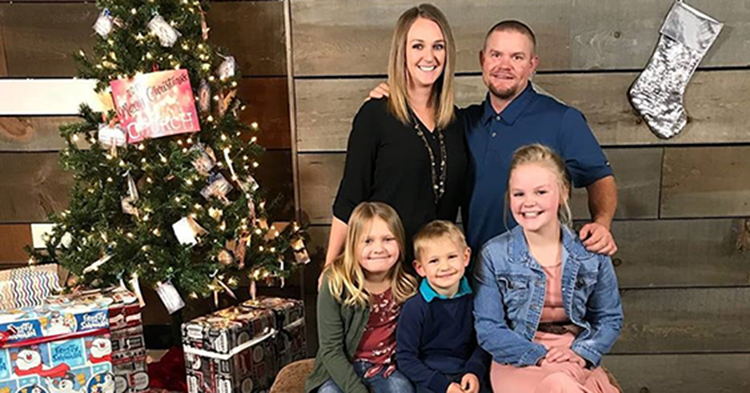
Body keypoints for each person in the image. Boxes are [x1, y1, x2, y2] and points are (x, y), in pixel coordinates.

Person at [368, 20, 618, 256]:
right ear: (482, 60)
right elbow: (420, 124)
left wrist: (602, 223)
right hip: (474, 268)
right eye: (496, 55)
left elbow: (600, 177)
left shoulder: (562, 119)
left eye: (517, 57)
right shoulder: (460, 122)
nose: (504, 66)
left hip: (539, 271)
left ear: (532, 65)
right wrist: (390, 97)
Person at [325, 4, 468, 276]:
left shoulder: (457, 122)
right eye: (417, 46)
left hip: (438, 275)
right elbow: (350, 196)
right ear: (401, 52)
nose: (429, 56)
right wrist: (330, 266)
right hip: (384, 273)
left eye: (438, 46)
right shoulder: (375, 114)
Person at [473, 144, 623, 393]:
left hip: (574, 354)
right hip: (517, 358)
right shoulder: (494, 254)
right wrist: (539, 355)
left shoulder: (590, 251)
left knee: (562, 382)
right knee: (559, 384)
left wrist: (582, 354)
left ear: (563, 192)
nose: (528, 202)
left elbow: (609, 318)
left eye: (541, 192)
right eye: (518, 194)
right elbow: (489, 328)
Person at [306, 202, 418, 393]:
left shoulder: (407, 285)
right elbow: (331, 349)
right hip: (340, 368)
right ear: (352, 245)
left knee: (403, 389)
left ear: (400, 241)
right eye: (368, 241)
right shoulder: (335, 282)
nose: (379, 249)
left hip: (384, 368)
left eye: (388, 239)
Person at [397, 220, 490, 393]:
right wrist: (443, 386)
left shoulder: (477, 298)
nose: (445, 267)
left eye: (452, 257)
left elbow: (484, 341)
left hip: (468, 374)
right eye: (434, 261)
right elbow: (405, 358)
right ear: (420, 268)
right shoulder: (415, 307)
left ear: (466, 257)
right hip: (431, 379)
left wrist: (474, 371)